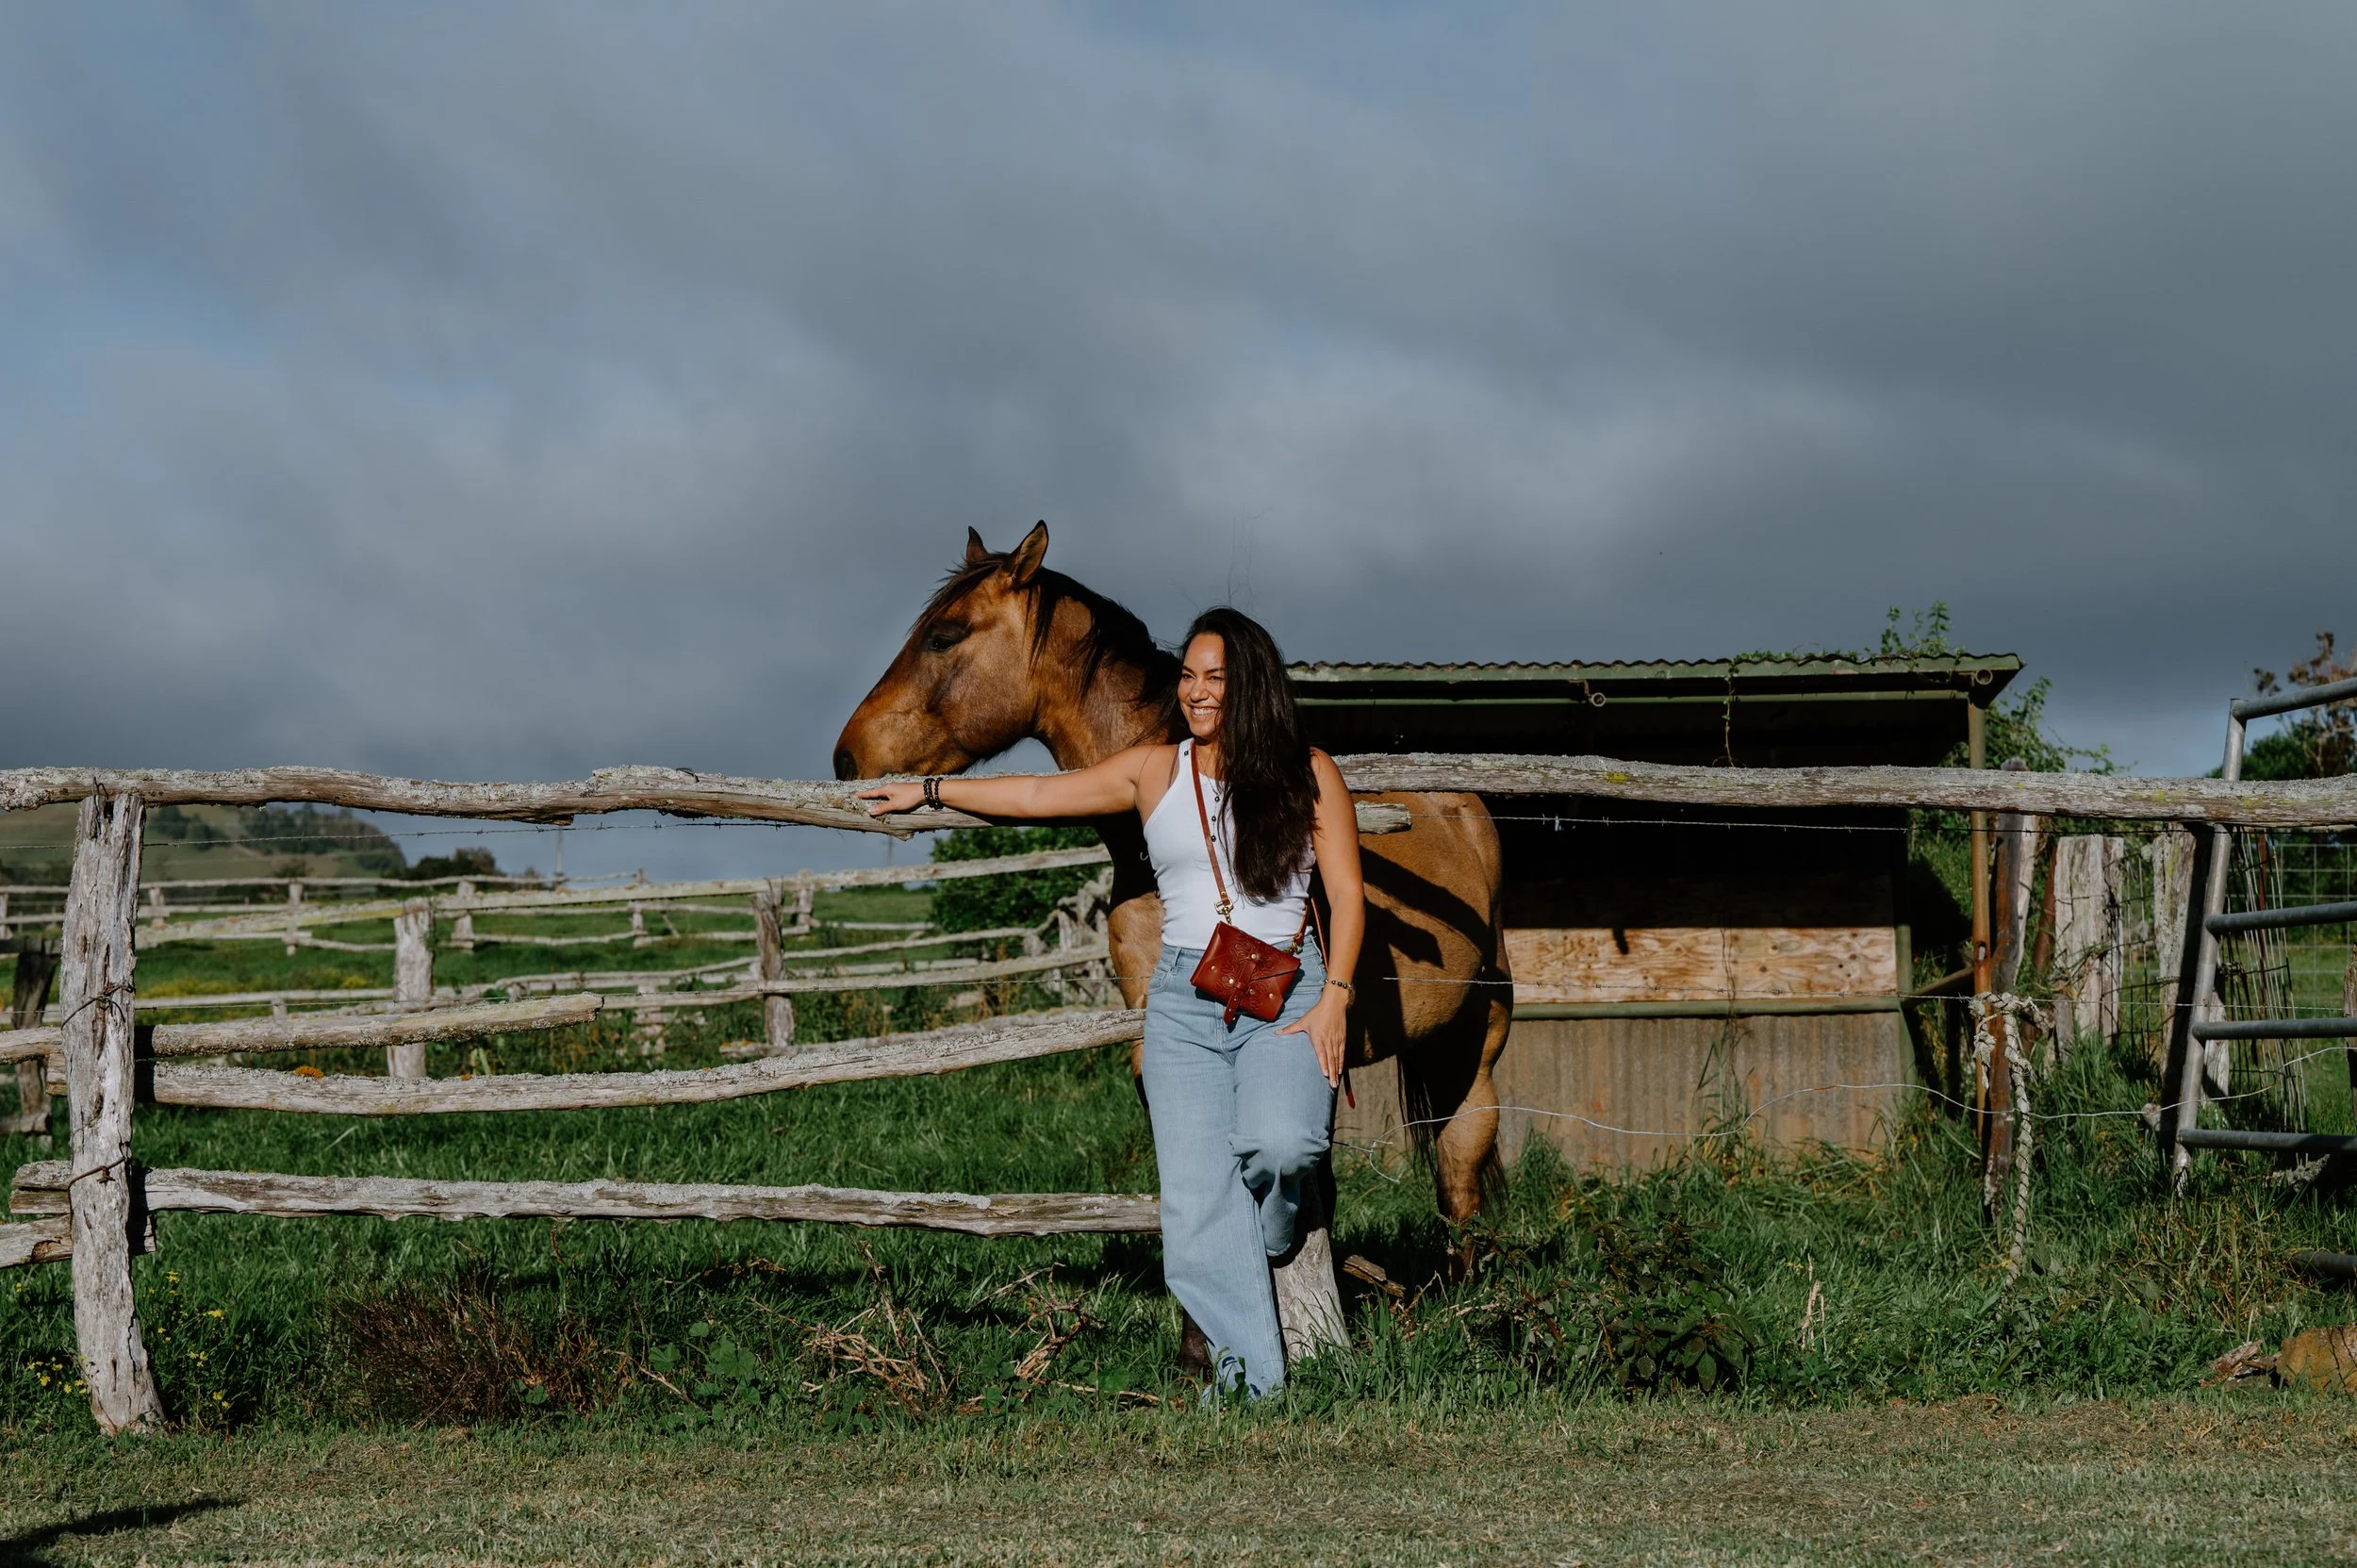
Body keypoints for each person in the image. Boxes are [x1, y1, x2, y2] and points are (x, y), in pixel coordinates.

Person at [860, 606, 1365, 1397]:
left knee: (1284, 1147)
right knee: (1197, 1211)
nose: (1196, 693)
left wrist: (1336, 996)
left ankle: (1271, 1233)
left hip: (1288, 988)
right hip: (1186, 1000)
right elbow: (1034, 792)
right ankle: (1249, 1392)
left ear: (1252, 685)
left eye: (1216, 678)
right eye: (1189, 677)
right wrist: (927, 789)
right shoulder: (1151, 770)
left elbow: (1345, 892)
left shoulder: (1309, 771)